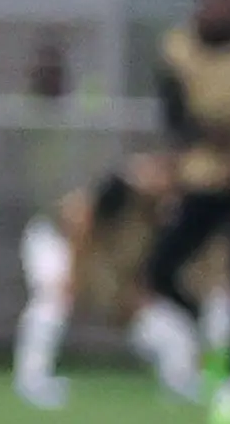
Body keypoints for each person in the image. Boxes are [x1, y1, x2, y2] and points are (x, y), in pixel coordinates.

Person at [131, 0, 230, 424]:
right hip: (202, 175)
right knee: (160, 268)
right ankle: (199, 334)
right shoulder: (179, 50)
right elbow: (173, 115)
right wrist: (201, 139)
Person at [14, 156, 172, 408]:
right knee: (53, 301)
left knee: (136, 313)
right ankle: (32, 381)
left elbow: (127, 255)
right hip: (55, 239)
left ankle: (177, 378)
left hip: (93, 255)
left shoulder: (153, 215)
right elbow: (79, 219)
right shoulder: (118, 193)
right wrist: (73, 274)